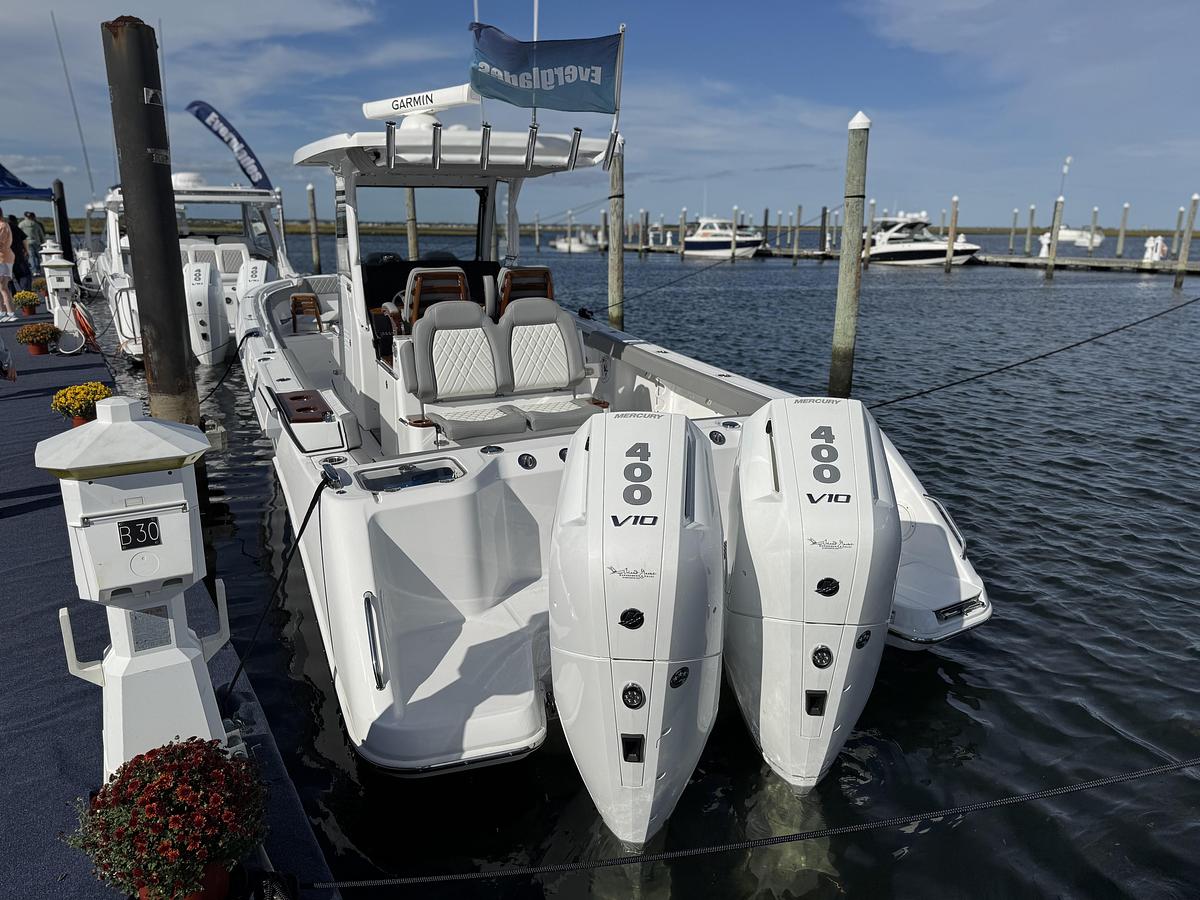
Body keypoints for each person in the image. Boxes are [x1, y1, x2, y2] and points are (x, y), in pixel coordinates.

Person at [8, 215, 30, 292]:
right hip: (17, 254)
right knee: (23, 275)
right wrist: (27, 251)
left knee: (7, 278)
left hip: (4, 257)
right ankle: (25, 292)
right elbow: (24, 239)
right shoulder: (13, 227)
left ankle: (12, 295)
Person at [19, 211, 45, 276]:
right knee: (37, 256)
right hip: (36, 242)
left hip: (27, 242)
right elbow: (41, 234)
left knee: (31, 256)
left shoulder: (21, 224)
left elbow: (18, 234)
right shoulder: (36, 224)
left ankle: (34, 271)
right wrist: (43, 243)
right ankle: (38, 270)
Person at [0, 208, 15, 321]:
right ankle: (4, 312)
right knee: (2, 287)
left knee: (3, 287)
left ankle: (10, 313)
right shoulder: (3, 225)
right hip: (4, 258)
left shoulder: (3, 226)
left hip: (3, 259)